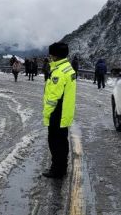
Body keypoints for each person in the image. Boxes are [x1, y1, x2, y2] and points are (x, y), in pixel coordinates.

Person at [42, 42, 76, 179]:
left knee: (54, 141)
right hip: (64, 112)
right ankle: (62, 167)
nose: (50, 57)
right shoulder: (68, 68)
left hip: (57, 112)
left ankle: (56, 170)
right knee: (62, 141)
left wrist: (47, 112)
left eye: (51, 54)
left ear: (55, 55)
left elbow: (53, 97)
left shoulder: (59, 72)